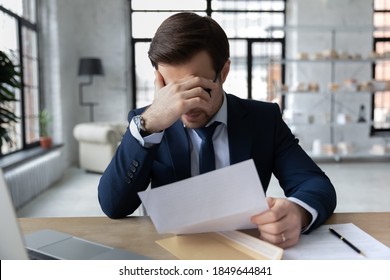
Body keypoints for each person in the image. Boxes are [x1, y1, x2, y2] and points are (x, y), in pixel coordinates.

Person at [98, 12, 336, 249]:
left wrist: (297, 212)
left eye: (199, 88)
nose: (186, 104)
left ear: (223, 72)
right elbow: (113, 205)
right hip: (169, 254)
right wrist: (148, 125)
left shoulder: (263, 119)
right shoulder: (147, 124)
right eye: (173, 89)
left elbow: (314, 183)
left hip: (243, 252)